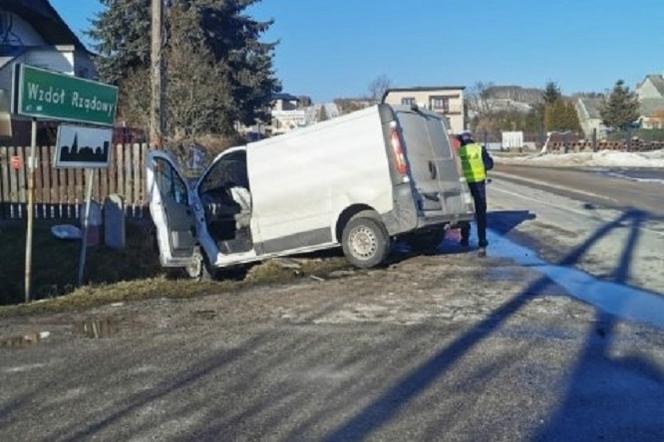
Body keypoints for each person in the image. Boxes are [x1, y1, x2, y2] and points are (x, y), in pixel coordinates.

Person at [457, 130, 493, 257]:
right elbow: (489, 165)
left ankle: (464, 238)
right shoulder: (479, 149)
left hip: (464, 185)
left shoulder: (459, 152)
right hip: (478, 184)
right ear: (471, 139)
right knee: (480, 212)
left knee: (466, 211)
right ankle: (482, 241)